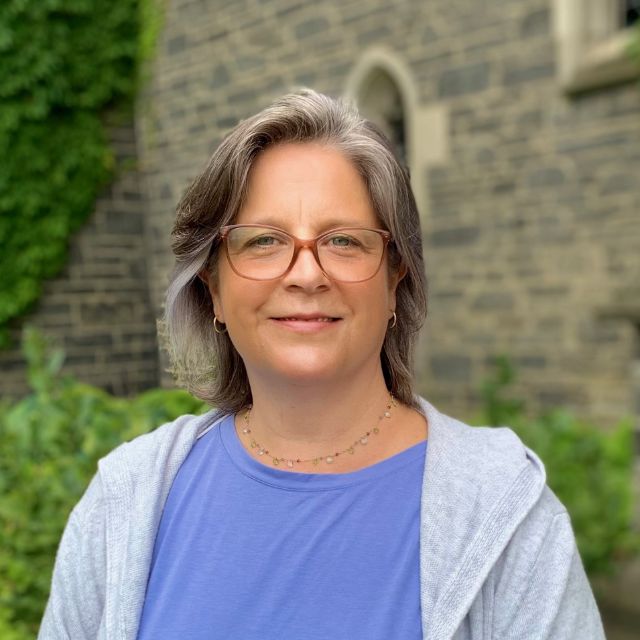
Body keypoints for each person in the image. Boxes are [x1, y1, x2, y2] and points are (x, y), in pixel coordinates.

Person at [38, 89, 605, 639]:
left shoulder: (507, 515)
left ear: (394, 278)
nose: (306, 274)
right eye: (262, 241)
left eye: (343, 241)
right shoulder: (124, 502)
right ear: (211, 287)